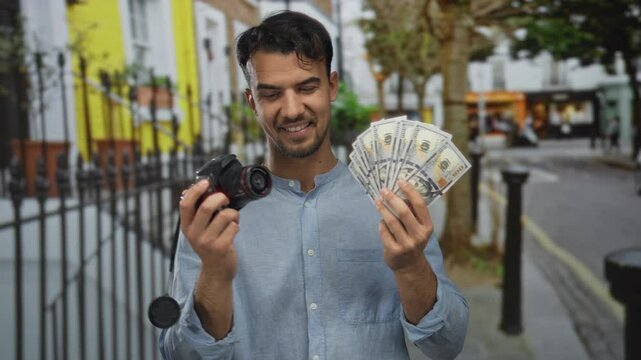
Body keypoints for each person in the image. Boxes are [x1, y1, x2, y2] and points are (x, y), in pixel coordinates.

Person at [160, 11, 468, 360]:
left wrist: (411, 265)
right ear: (252, 102)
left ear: (332, 86)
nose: (292, 110)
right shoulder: (214, 213)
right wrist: (214, 273)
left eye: (307, 87)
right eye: (272, 94)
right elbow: (181, 355)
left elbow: (447, 344)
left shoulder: (393, 199)